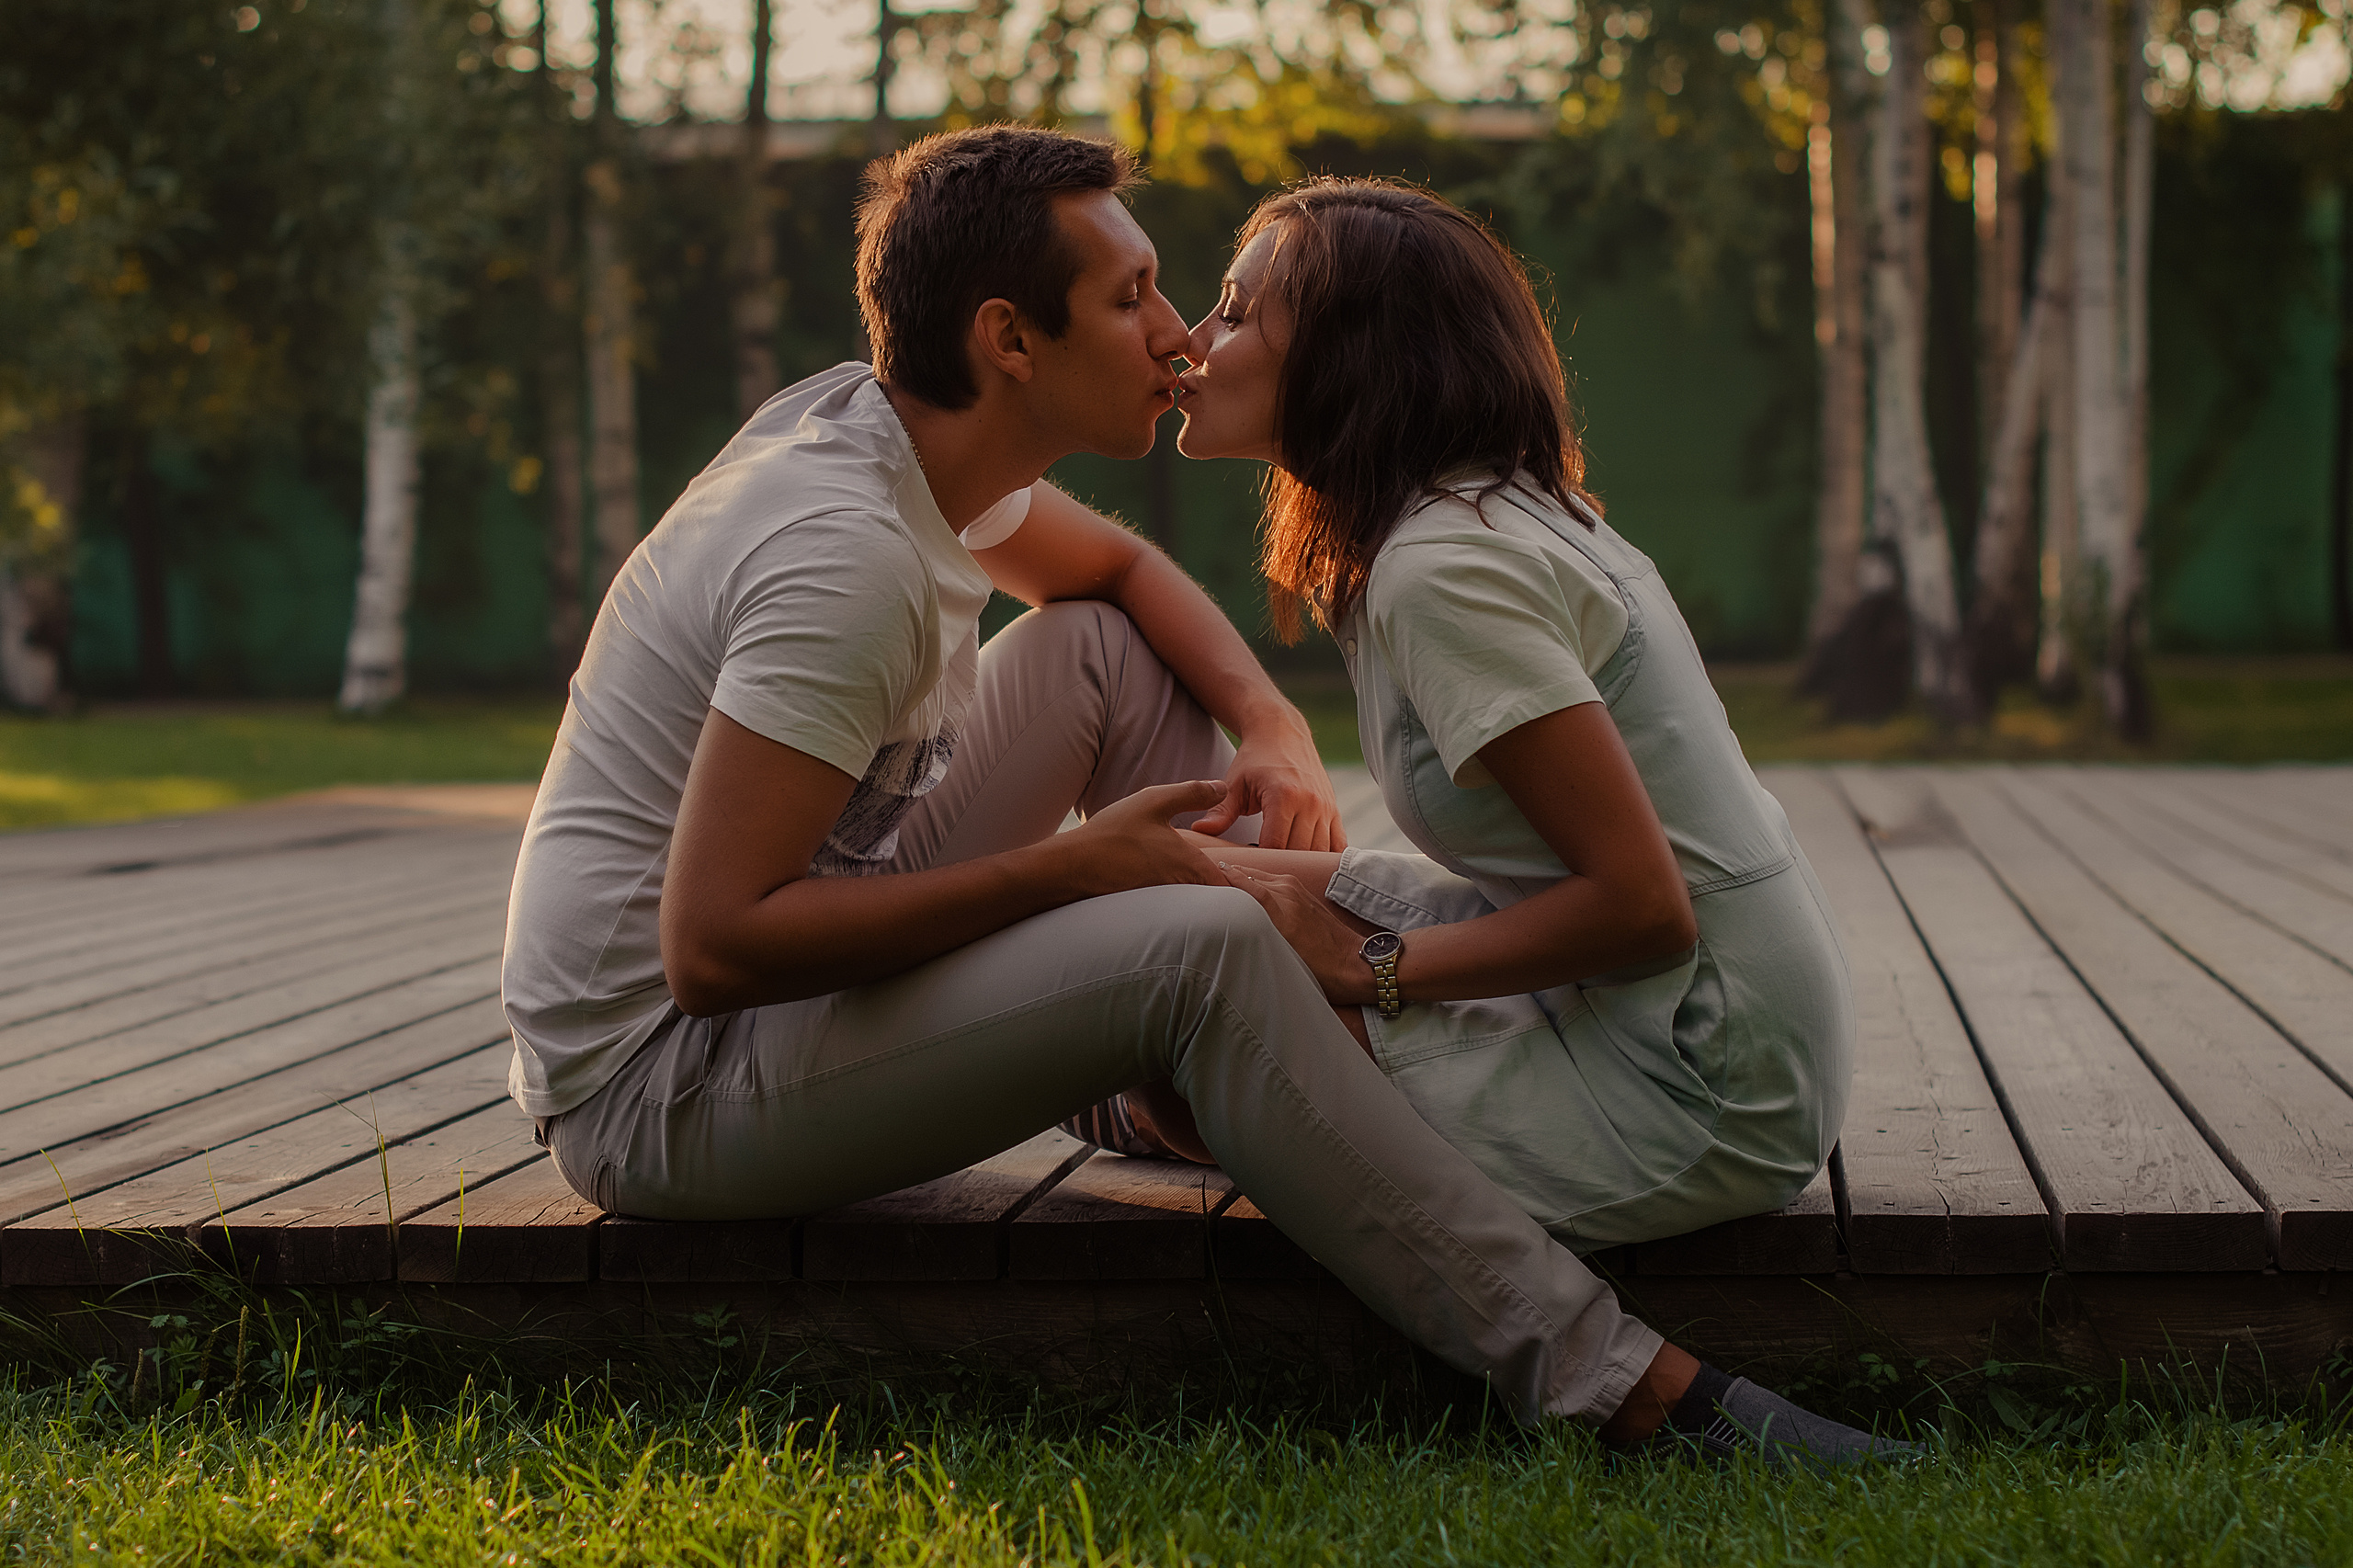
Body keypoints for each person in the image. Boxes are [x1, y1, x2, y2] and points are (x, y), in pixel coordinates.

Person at [501, 125, 1898, 1466]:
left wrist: (1268, 720)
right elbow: (716, 948)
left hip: (786, 971)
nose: (1176, 331)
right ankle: (1616, 1382)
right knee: (1202, 940)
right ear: (1008, 340)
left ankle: (1189, 1063)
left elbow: (1120, 583)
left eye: (1190, 295)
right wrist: (1077, 872)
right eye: (1134, 296)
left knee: (1105, 657)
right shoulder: (842, 558)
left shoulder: (894, 431)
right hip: (664, 1080)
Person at [1142, 175, 1903, 1463]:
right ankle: (1140, 1087)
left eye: (1233, 309)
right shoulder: (1468, 518)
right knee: (1204, 924)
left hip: (1701, 1069)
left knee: (1199, 1027)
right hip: (1682, 1009)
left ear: (1346, 354)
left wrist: (1375, 966)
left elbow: (1642, 908)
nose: (1191, 343)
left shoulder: (1450, 565)